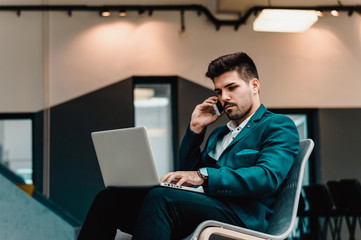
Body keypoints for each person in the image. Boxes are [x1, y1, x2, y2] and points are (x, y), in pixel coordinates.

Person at [78, 52, 299, 240]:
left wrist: (204, 176)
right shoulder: (220, 133)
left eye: (231, 87)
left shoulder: (277, 125)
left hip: (242, 217)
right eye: (219, 91)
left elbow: (267, 176)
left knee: (161, 199)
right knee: (109, 200)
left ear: (254, 85)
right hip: (203, 207)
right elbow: (188, 172)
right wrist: (195, 130)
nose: (225, 97)